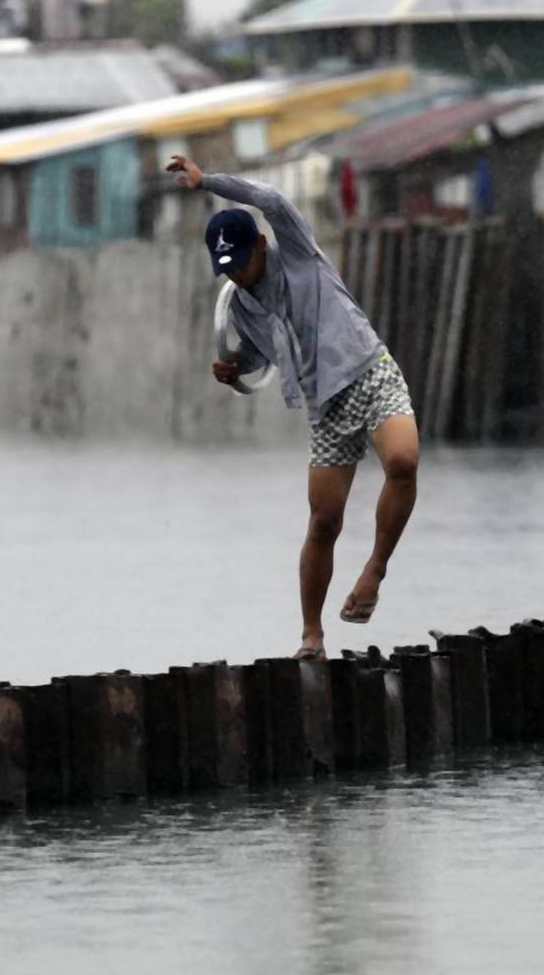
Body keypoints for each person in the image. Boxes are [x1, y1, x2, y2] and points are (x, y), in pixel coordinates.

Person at [167, 154, 419, 661]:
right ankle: (312, 635)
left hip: (369, 371)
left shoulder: (298, 254)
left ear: (260, 245)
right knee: (323, 522)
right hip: (323, 406)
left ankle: (374, 570)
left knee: (402, 461)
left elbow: (272, 200)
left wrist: (206, 181)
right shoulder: (239, 305)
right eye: (226, 268)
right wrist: (236, 369)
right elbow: (265, 360)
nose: (235, 274)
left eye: (240, 262)